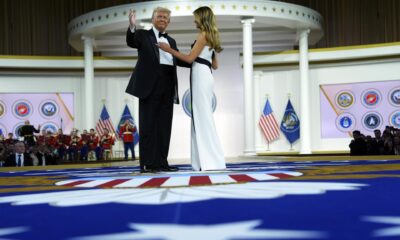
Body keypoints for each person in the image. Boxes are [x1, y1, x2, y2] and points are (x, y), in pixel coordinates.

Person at [157, 6, 226, 171]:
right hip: (206, 75)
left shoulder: (203, 35)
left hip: (200, 76)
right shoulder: (211, 36)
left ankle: (211, 162)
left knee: (202, 119)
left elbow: (189, 59)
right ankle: (205, 161)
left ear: (202, 18)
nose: (194, 20)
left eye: (196, 17)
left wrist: (169, 50)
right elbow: (215, 66)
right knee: (202, 118)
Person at [125, 7, 189, 173]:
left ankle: (162, 162)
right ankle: (147, 163)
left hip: (168, 85)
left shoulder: (172, 41)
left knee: (164, 126)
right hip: (149, 86)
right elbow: (131, 41)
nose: (163, 19)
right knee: (148, 125)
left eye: (166, 18)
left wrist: (198, 60)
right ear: (153, 19)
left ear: (168, 22)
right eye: (159, 16)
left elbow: (179, 60)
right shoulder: (143, 35)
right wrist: (132, 26)